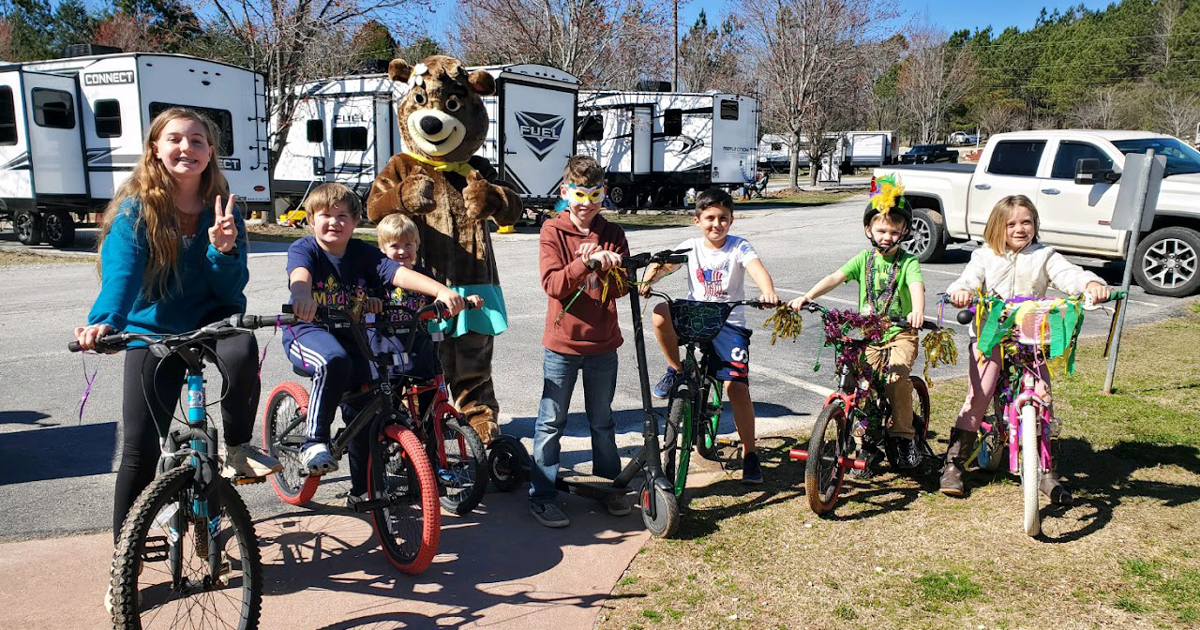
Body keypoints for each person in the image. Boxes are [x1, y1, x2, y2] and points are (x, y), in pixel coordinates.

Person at [74, 108, 283, 613]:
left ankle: (234, 448)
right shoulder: (135, 210)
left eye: (197, 140)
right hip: (150, 331)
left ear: (211, 151)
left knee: (241, 349)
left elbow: (231, 291)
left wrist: (222, 250)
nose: (186, 148)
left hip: (213, 322)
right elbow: (121, 276)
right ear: (155, 148)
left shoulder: (223, 209)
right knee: (138, 453)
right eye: (175, 139)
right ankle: (124, 562)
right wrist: (105, 322)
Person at [282, 183, 464, 484]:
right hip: (307, 332)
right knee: (333, 360)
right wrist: (300, 294)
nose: (334, 222)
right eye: (325, 214)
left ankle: (365, 489)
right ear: (311, 219)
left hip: (352, 337)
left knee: (366, 412)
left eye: (343, 216)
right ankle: (313, 440)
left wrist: (443, 291)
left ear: (355, 222)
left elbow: (398, 274)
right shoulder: (306, 249)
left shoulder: (362, 253)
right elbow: (299, 275)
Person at [940, 194, 1111, 502]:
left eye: (1027, 222)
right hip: (990, 336)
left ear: (1035, 224)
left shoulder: (1044, 255)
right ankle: (953, 465)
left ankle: (1047, 473)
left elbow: (1069, 274)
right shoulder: (984, 255)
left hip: (1031, 338)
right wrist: (962, 291)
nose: (1020, 229)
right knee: (979, 395)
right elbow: (967, 279)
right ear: (997, 226)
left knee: (1043, 394)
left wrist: (1089, 285)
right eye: (1011, 223)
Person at [640, 188, 780, 484]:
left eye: (723, 219)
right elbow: (664, 263)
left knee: (736, 388)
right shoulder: (691, 246)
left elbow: (757, 270)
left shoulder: (739, 247)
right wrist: (649, 279)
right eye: (710, 218)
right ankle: (675, 369)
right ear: (697, 220)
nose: (716, 224)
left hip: (729, 322)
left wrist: (767, 291)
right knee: (660, 311)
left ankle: (750, 453)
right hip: (695, 316)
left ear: (731, 220)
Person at [788, 175, 926, 473]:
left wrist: (917, 311)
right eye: (881, 229)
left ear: (904, 231)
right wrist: (808, 295)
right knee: (861, 384)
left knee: (894, 379)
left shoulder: (908, 262)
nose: (887, 235)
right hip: (870, 335)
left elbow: (917, 287)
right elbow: (835, 278)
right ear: (869, 229)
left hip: (901, 332)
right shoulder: (864, 259)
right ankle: (864, 441)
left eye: (893, 230)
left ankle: (904, 436)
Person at [530, 156, 631, 527]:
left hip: (603, 344)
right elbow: (552, 285)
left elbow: (622, 289)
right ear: (565, 193)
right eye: (579, 194)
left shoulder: (614, 232)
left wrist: (612, 267)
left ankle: (609, 486)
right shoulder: (552, 231)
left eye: (594, 194)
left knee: (602, 421)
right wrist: (584, 264)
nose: (586, 202)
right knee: (550, 421)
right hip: (562, 345)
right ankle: (542, 495)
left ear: (603, 194)